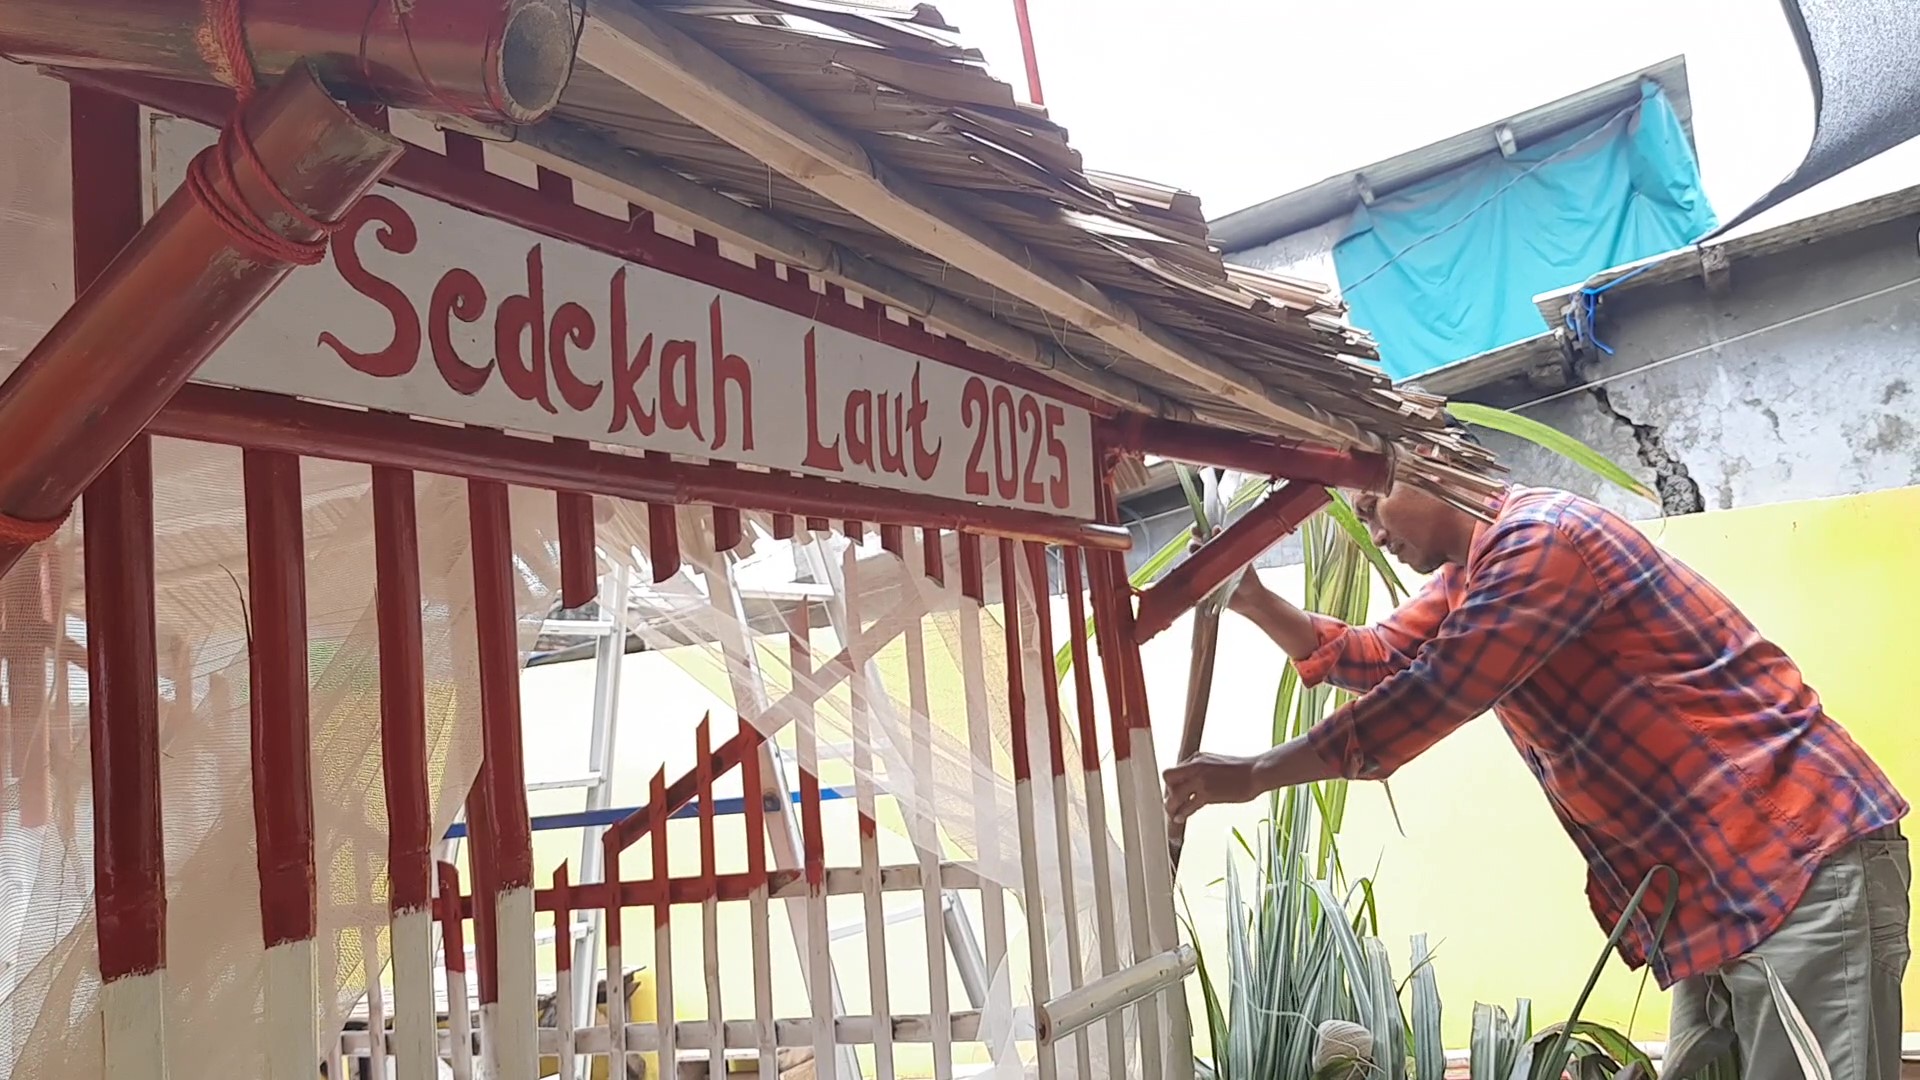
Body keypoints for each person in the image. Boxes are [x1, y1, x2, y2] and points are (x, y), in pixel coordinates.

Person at [1161, 466, 1910, 1078]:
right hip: (1722, 887)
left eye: (1373, 503)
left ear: (1431, 467)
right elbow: (1382, 657)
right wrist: (1252, 598)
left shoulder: (1542, 542)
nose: (1375, 532)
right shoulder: (1473, 573)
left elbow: (1429, 697)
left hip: (1796, 855)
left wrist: (1253, 774)